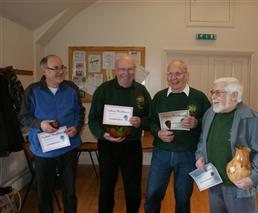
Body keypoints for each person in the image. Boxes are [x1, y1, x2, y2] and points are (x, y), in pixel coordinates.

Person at [195, 77, 258, 213]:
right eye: (212, 92)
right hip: (214, 182)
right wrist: (200, 156)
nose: (213, 97)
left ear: (234, 95)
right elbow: (203, 140)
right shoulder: (210, 113)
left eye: (218, 93)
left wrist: (253, 178)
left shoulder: (251, 118)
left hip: (238, 186)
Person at [19, 54, 84, 213]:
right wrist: (40, 124)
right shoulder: (32, 91)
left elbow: (79, 112)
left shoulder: (71, 88)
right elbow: (23, 117)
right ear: (44, 71)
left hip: (68, 148)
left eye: (62, 67)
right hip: (43, 151)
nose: (60, 71)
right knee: (44, 194)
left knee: (69, 192)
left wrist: (76, 127)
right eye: (55, 68)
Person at [144, 59, 211, 213]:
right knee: (153, 194)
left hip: (188, 155)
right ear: (167, 76)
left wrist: (196, 123)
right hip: (161, 153)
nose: (174, 78)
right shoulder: (159, 97)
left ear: (186, 75)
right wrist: (158, 133)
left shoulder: (198, 97)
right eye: (170, 74)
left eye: (178, 74)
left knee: (183, 198)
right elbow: (150, 121)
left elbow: (210, 121)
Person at [88, 55, 151, 213]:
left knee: (133, 186)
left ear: (134, 70)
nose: (126, 72)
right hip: (108, 145)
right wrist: (103, 134)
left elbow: (150, 117)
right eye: (122, 69)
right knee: (107, 186)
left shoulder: (141, 91)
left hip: (132, 146)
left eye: (130, 69)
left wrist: (141, 122)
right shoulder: (103, 90)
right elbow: (93, 119)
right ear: (116, 70)